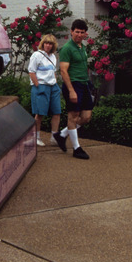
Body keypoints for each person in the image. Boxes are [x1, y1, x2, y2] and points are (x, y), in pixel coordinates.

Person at [54, 19, 93, 160]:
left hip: (84, 84)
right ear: (71, 31)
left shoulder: (82, 48)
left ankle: (62, 134)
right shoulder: (67, 49)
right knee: (73, 116)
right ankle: (76, 148)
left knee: (86, 117)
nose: (79, 34)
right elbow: (63, 71)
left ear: (85, 34)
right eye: (77, 32)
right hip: (73, 84)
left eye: (82, 32)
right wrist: (71, 90)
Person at [27, 34, 62, 146]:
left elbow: (53, 72)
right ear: (43, 44)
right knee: (40, 113)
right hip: (41, 86)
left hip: (53, 87)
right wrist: (38, 85)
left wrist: (55, 83)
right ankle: (35, 137)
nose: (48, 45)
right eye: (46, 43)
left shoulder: (53, 57)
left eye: (50, 43)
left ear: (53, 45)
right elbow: (31, 72)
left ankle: (54, 137)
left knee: (57, 112)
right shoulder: (36, 55)